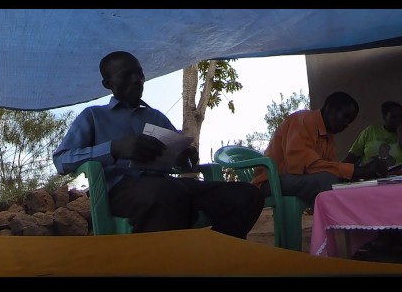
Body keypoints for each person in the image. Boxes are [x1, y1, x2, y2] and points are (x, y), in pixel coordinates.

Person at [52, 50, 264, 239]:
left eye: (140, 73)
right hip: (121, 190)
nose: (137, 79)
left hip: (170, 186)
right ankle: (157, 262)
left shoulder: (156, 117)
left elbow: (177, 156)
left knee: (247, 196)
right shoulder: (93, 116)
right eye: (127, 75)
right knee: (166, 194)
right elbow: (62, 160)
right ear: (108, 83)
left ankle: (218, 256)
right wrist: (113, 148)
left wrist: (184, 156)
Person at [250, 91, 388, 208]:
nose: (346, 125)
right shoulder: (303, 120)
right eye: (345, 118)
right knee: (327, 181)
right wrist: (359, 171)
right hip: (269, 183)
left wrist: (360, 175)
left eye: (350, 122)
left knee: (344, 183)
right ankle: (337, 235)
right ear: (331, 109)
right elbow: (302, 166)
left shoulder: (328, 138)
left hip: (294, 181)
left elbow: (328, 168)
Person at [342, 100, 402, 173]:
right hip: (368, 178)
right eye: (394, 117)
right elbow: (352, 156)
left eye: (401, 116)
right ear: (384, 117)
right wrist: (338, 170)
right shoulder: (371, 131)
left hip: (395, 179)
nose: (398, 120)